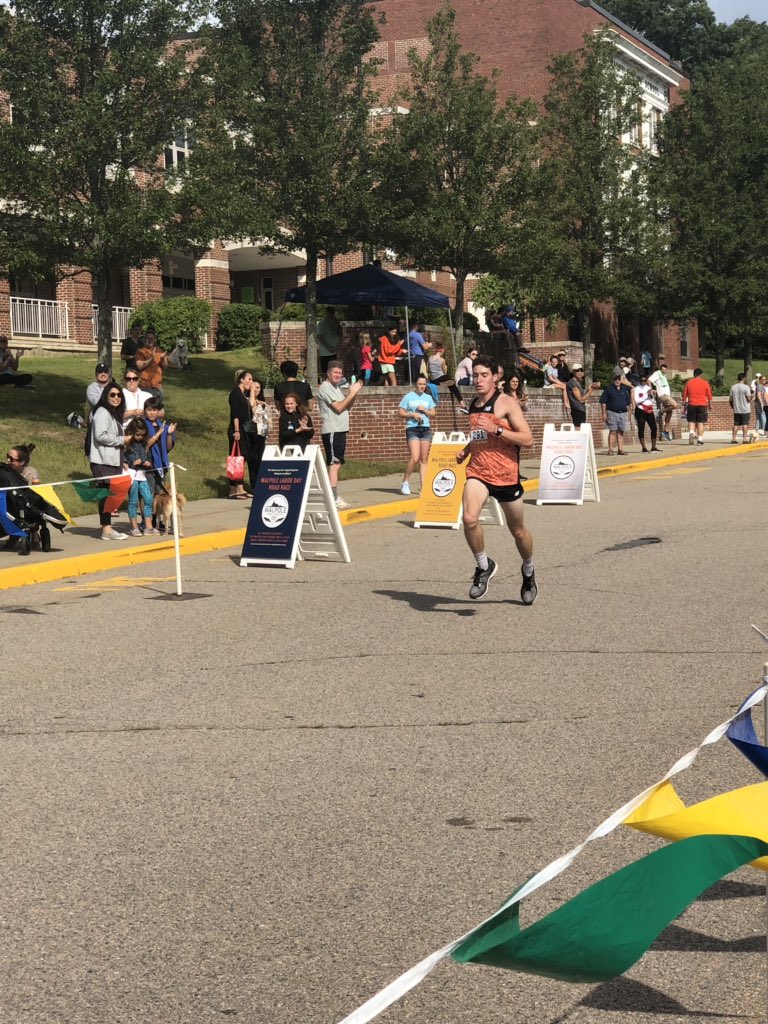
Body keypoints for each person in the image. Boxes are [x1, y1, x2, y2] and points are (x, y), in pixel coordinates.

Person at [455, 354, 537, 605]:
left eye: (483, 375)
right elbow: (481, 434)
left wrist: (499, 429)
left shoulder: (507, 403)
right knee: (469, 518)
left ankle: (528, 571)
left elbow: (527, 439)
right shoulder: (474, 404)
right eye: (475, 375)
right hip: (478, 472)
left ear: (495, 377)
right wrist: (467, 449)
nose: (478, 380)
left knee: (519, 531)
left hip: (506, 475)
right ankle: (483, 566)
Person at [317, 361, 363, 509]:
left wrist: (353, 394)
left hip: (340, 429)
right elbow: (338, 407)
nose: (337, 376)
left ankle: (333, 495)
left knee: (337, 464)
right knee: (334, 463)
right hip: (332, 429)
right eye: (335, 373)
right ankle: (333, 498)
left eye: (340, 373)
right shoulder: (325, 387)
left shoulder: (336, 388)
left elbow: (347, 405)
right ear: (329, 373)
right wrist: (351, 393)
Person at [88, 381, 128, 540]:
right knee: (106, 495)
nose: (116, 397)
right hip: (102, 462)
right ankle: (107, 530)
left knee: (110, 495)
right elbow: (101, 436)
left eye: (119, 395)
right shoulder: (102, 412)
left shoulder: (113, 414)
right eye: (112, 394)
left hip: (112, 461)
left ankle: (107, 529)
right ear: (106, 396)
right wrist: (122, 439)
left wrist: (122, 459)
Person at [3, 444, 49, 551]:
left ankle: (34, 534)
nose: (7, 460)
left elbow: (34, 495)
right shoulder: (6, 471)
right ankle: (13, 534)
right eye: (7, 456)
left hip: (25, 505)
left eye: (11, 459)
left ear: (22, 462)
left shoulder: (31, 474)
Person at [398, 374, 437, 495]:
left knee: (424, 459)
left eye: (424, 384)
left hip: (425, 429)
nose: (422, 386)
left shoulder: (428, 398)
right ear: (415, 384)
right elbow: (400, 412)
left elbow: (433, 413)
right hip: (412, 428)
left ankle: (423, 487)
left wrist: (424, 410)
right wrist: (412, 415)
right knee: (415, 457)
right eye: (420, 384)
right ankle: (405, 482)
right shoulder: (408, 397)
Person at [124, 419, 160, 537]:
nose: (140, 437)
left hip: (142, 474)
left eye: (142, 435)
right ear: (131, 432)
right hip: (132, 475)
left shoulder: (144, 444)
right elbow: (123, 459)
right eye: (137, 434)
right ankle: (134, 527)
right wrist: (132, 462)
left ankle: (148, 526)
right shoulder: (127, 443)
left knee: (148, 498)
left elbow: (148, 457)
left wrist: (148, 462)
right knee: (133, 500)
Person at [227, 369, 256, 499]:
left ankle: (236, 488)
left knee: (241, 457)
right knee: (237, 458)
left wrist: (252, 392)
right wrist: (237, 430)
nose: (251, 381)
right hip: (237, 430)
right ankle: (237, 488)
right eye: (249, 379)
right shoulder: (235, 394)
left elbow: (250, 405)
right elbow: (235, 414)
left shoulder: (242, 394)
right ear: (241, 380)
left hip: (244, 430)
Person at [143, 398, 176, 508]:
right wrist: (158, 434)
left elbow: (168, 447)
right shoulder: (142, 425)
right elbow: (146, 445)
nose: (152, 413)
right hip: (148, 464)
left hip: (161, 464)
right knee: (147, 494)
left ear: (158, 412)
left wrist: (169, 434)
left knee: (159, 493)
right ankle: (146, 520)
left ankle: (156, 519)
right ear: (145, 411)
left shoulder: (163, 426)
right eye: (149, 410)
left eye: (154, 410)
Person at [427, 342, 468, 409]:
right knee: (452, 384)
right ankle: (462, 403)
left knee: (448, 381)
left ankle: (442, 383)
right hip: (441, 377)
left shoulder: (429, 358)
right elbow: (443, 372)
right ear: (442, 350)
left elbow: (427, 369)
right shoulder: (442, 360)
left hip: (433, 379)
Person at [600, 373, 632, 455]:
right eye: (615, 379)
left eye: (618, 378)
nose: (617, 380)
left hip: (623, 413)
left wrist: (629, 413)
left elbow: (628, 403)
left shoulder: (624, 389)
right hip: (612, 413)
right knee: (613, 431)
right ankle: (610, 450)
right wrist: (604, 413)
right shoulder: (608, 389)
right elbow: (603, 402)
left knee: (621, 432)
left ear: (621, 380)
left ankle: (620, 450)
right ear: (613, 380)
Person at [682, 367, 712, 446]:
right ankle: (700, 440)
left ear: (694, 374)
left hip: (691, 404)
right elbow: (709, 394)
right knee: (700, 422)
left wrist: (684, 403)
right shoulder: (705, 382)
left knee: (691, 420)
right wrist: (710, 404)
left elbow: (685, 394)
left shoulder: (689, 382)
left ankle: (692, 432)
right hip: (702, 405)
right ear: (700, 374)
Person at [135, 329, 167, 402]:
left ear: (154, 340)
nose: (150, 340)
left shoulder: (159, 351)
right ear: (144, 339)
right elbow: (139, 366)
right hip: (145, 386)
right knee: (145, 409)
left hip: (157, 386)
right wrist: (151, 358)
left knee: (158, 410)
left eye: (152, 338)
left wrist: (163, 359)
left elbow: (165, 367)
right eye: (148, 338)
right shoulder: (140, 351)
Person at [632, 374, 660, 452]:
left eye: (645, 380)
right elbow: (637, 400)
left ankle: (653, 446)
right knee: (641, 428)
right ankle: (643, 448)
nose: (643, 382)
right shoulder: (636, 389)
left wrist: (651, 395)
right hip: (640, 409)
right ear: (639, 381)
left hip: (649, 409)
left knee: (654, 427)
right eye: (641, 380)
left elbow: (652, 400)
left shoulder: (649, 388)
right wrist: (646, 395)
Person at [247, 378, 270, 476]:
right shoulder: (247, 400)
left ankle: (261, 482)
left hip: (262, 434)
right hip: (251, 433)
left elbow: (268, 418)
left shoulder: (263, 403)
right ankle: (254, 485)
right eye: (253, 387)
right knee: (253, 459)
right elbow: (252, 410)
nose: (256, 389)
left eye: (258, 387)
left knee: (261, 458)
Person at [649, 362, 676, 441]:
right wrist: (651, 389)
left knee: (669, 413)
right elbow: (649, 380)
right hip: (663, 396)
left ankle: (665, 432)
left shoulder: (663, 376)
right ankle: (661, 411)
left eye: (665, 369)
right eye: (662, 368)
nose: (664, 370)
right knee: (675, 405)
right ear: (660, 369)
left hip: (667, 395)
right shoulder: (657, 373)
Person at [317, 306, 341, 377]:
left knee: (334, 371)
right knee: (326, 372)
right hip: (325, 352)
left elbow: (340, 334)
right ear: (327, 313)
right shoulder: (322, 323)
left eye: (333, 313)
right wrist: (328, 347)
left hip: (334, 351)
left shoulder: (335, 323)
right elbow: (319, 336)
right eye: (330, 313)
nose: (332, 315)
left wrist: (338, 325)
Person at [730, 371, 752, 444]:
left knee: (736, 424)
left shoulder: (733, 387)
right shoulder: (746, 387)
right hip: (745, 409)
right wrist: (752, 397)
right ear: (744, 378)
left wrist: (733, 406)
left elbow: (730, 399)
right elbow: (748, 399)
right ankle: (744, 439)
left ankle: (733, 438)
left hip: (736, 409)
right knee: (745, 423)